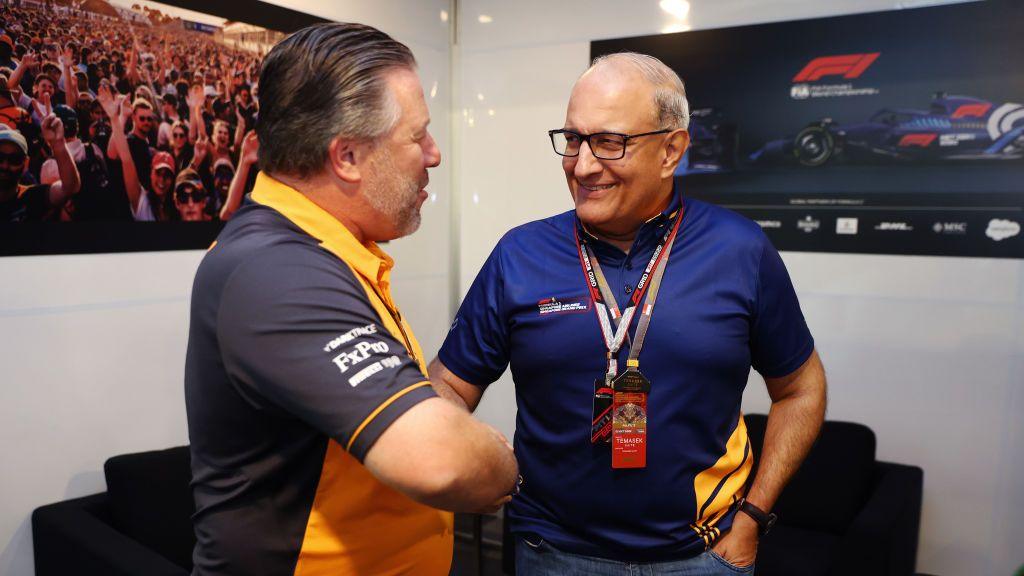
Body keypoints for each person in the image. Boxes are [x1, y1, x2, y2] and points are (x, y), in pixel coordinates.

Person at [431, 52, 828, 575]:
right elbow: (450, 386)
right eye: (573, 139)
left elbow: (801, 389)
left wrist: (754, 516)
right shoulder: (519, 254)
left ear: (671, 150)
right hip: (552, 554)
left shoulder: (739, 250)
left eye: (609, 142)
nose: (583, 164)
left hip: (701, 557)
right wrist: (461, 465)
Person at [184, 22, 519, 576]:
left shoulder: (331, 250)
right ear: (346, 157)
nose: (433, 155)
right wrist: (507, 465)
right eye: (418, 136)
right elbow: (438, 460)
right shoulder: (276, 270)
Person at [0, 116, 79, 221]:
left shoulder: (31, 197)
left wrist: (58, 144)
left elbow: (69, 188)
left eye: (14, 159)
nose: (5, 166)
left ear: (26, 164)